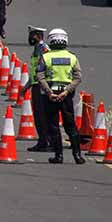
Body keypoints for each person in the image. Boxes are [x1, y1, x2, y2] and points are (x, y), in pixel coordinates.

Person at [36, 28, 85, 165]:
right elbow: (78, 77)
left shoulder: (45, 57)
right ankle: (77, 156)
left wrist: (49, 92)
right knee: (71, 126)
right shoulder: (72, 57)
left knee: (53, 125)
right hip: (66, 96)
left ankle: (58, 156)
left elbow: (40, 76)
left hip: (50, 96)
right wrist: (66, 91)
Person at [23, 26, 52, 152]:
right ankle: (43, 141)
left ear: (39, 36)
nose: (31, 38)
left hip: (42, 86)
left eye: (32, 35)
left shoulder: (44, 49)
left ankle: (48, 142)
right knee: (38, 115)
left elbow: (46, 69)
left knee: (43, 115)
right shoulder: (37, 49)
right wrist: (26, 87)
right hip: (36, 85)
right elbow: (35, 71)